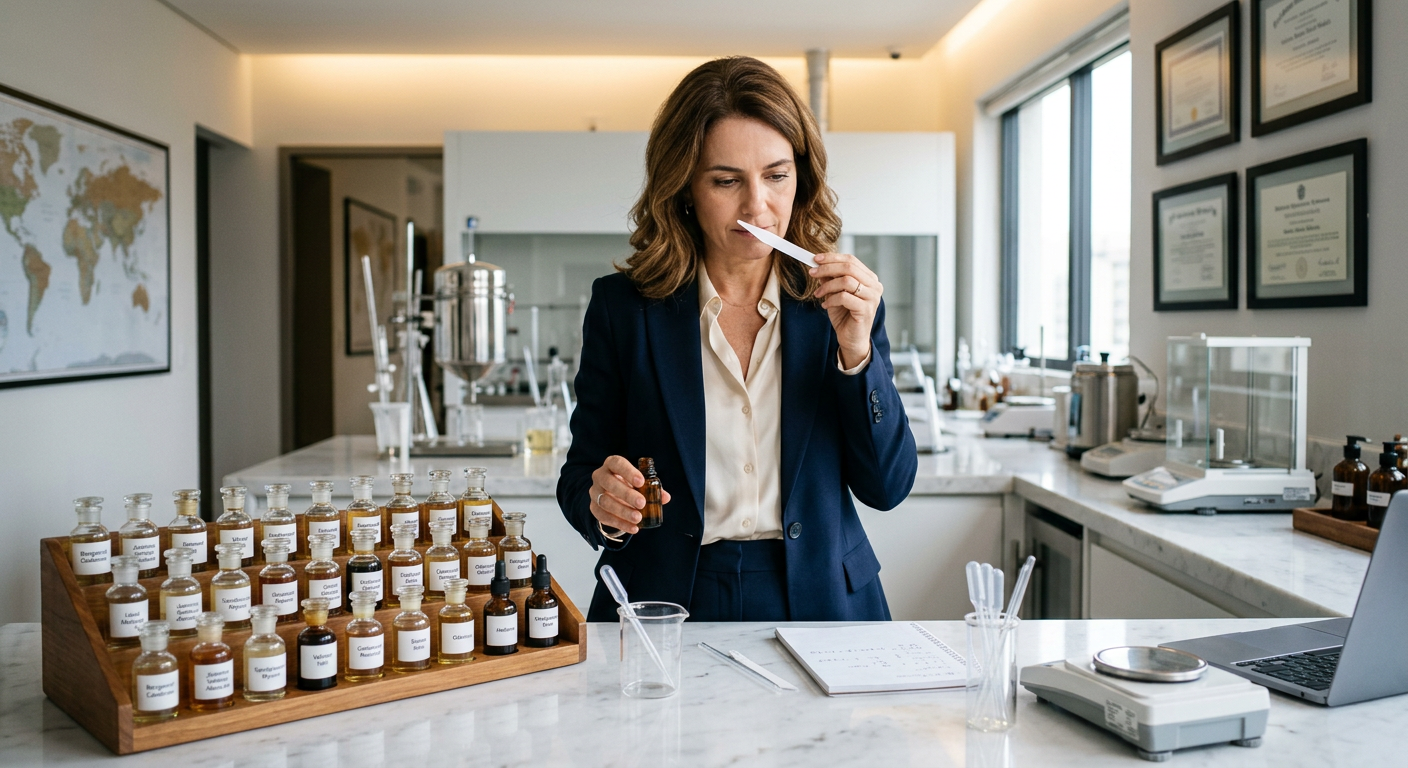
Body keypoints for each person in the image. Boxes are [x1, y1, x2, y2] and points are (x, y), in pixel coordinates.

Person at [557, 56, 917, 623]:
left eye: (776, 176)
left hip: (822, 596)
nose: (758, 206)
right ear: (683, 189)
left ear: (801, 178)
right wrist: (604, 504)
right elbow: (580, 474)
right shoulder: (623, 309)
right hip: (667, 601)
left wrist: (857, 353)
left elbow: (888, 486)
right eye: (726, 181)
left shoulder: (842, 304)